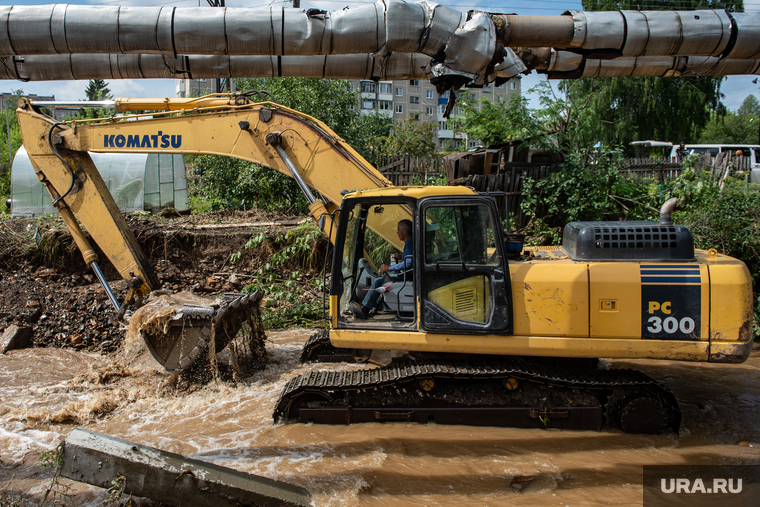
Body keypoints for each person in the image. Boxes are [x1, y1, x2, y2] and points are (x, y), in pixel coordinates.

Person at [352, 219, 413, 319]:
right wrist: (401, 256)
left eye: (398, 230)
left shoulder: (410, 243)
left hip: (407, 277)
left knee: (378, 281)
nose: (397, 232)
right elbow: (410, 259)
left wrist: (389, 268)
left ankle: (365, 310)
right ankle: (375, 307)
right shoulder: (409, 242)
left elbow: (409, 263)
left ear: (404, 231)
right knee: (383, 279)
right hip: (407, 275)